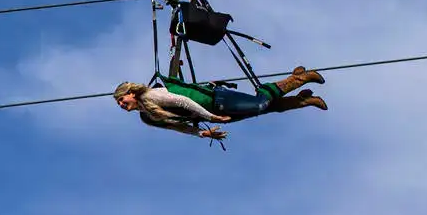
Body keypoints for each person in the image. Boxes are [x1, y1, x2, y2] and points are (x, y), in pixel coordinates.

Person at [112, 66, 327, 140]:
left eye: (122, 100)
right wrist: (203, 133)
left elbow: (183, 101)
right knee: (266, 108)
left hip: (216, 101)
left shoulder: (150, 96)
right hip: (215, 112)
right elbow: (178, 126)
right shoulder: (147, 116)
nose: (122, 105)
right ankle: (303, 101)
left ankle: (299, 78)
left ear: (131, 92)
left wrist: (210, 118)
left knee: (260, 104)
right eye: (119, 104)